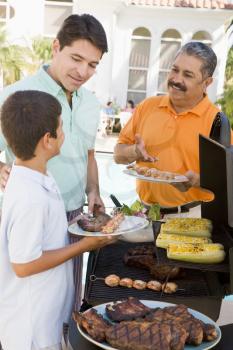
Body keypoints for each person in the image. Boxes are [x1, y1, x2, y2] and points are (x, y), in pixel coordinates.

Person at [0, 14, 108, 313]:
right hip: (32, 215)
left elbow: (88, 155)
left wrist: (94, 191)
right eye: (77, 58)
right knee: (28, 304)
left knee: (65, 303)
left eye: (93, 65)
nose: (83, 72)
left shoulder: (90, 103)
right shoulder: (16, 96)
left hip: (75, 217)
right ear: (56, 47)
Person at [0, 90, 116, 350]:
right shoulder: (29, 197)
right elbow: (24, 265)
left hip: (48, 316)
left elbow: (47, 232)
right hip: (32, 331)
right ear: (47, 140)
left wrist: (87, 224)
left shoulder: (37, 175)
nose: (64, 133)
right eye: (61, 127)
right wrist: (84, 246)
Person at [114, 42, 232, 214]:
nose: (176, 80)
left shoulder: (217, 121)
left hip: (191, 217)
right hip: (145, 214)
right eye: (175, 70)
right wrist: (134, 152)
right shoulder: (147, 107)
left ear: (206, 83)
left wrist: (198, 181)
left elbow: (227, 180)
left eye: (188, 75)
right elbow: (118, 155)